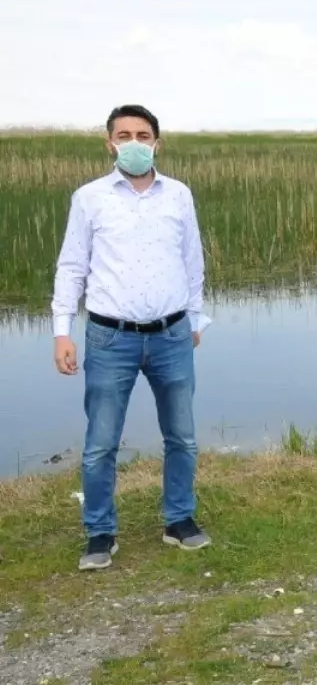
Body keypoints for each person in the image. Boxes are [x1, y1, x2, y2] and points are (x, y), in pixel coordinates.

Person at [51, 104, 214, 572]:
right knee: (101, 442)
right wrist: (62, 332)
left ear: (157, 143)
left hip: (171, 335)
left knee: (181, 436)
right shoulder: (90, 198)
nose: (134, 142)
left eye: (143, 135)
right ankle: (99, 532)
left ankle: (178, 519)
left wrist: (194, 319)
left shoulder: (179, 196)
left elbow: (192, 261)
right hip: (109, 337)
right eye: (124, 135)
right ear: (109, 143)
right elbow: (72, 267)